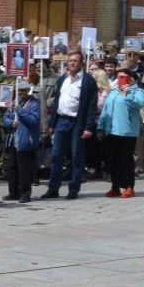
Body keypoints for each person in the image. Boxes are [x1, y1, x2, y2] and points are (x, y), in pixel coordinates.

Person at [42, 52, 99, 200]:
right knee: (56, 156)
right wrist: (52, 123)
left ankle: (74, 189)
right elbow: (56, 103)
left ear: (81, 63)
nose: (72, 63)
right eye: (70, 61)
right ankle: (53, 189)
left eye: (75, 61)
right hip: (61, 121)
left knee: (76, 156)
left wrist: (88, 127)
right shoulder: (62, 79)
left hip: (77, 123)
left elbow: (91, 106)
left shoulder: (88, 81)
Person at [97, 69, 144, 198]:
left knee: (125, 160)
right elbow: (105, 110)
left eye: (123, 77)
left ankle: (129, 186)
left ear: (130, 79)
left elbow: (140, 104)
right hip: (111, 130)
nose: (120, 79)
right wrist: (100, 127)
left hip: (127, 131)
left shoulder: (138, 92)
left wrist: (128, 93)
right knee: (112, 160)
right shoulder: (113, 92)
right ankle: (115, 186)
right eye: (119, 77)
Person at [1, 81, 40, 203]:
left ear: (28, 90)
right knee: (11, 167)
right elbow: (6, 118)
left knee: (24, 169)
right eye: (20, 90)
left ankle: (25, 193)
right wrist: (10, 123)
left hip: (25, 140)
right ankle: (13, 192)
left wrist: (21, 112)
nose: (22, 93)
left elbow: (34, 120)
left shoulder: (34, 103)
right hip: (13, 139)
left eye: (24, 90)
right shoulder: (14, 102)